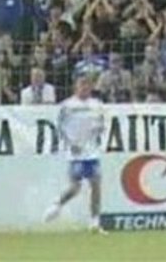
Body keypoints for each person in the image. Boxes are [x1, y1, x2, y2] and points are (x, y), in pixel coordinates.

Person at [44, 74, 107, 233]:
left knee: (96, 185)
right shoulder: (67, 105)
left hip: (91, 152)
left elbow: (101, 124)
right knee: (75, 187)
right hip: (75, 152)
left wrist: (98, 130)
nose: (85, 87)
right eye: (81, 84)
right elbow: (59, 127)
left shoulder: (97, 105)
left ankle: (95, 222)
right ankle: (57, 203)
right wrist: (70, 144)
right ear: (76, 87)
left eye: (87, 85)